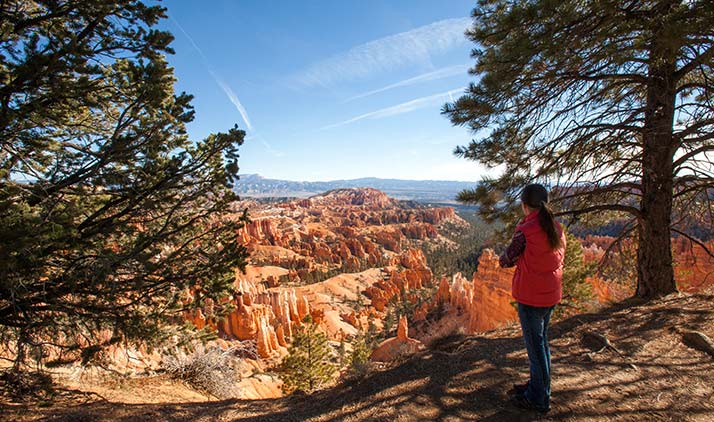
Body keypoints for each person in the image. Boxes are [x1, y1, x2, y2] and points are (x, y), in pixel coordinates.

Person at [499, 183, 566, 413]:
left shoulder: (526, 230)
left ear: (525, 206)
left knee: (535, 350)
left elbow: (507, 258)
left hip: (531, 297)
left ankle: (538, 399)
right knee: (542, 344)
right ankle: (536, 387)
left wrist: (504, 258)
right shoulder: (556, 228)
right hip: (550, 295)